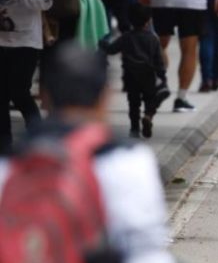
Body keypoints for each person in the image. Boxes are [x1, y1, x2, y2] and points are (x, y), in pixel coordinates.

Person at [0, 42, 175, 262]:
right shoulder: (126, 162)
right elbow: (145, 250)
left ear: (44, 96)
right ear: (105, 96)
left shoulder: (10, 165)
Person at [0, 0, 51, 151]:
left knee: (19, 92)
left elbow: (46, 1)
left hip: (25, 41)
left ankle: (39, 140)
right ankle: (5, 148)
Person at [100, 3, 169, 138]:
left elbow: (111, 50)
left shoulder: (126, 37)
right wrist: (162, 76)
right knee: (150, 100)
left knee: (133, 103)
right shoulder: (153, 39)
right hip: (148, 75)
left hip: (130, 75)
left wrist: (100, 41)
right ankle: (148, 116)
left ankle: (134, 129)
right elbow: (159, 61)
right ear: (148, 21)